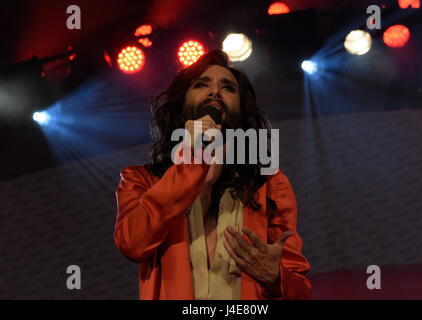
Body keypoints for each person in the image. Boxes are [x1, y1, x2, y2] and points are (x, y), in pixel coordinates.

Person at [114, 49, 311, 300]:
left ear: (241, 110)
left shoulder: (270, 184)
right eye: (201, 84)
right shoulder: (140, 179)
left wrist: (276, 277)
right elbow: (132, 244)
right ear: (182, 102)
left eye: (228, 87)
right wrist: (192, 161)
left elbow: (301, 292)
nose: (215, 92)